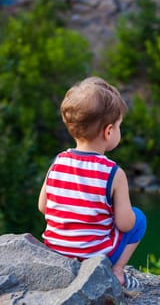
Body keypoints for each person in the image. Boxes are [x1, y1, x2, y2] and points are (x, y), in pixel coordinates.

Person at [38, 76, 146, 289]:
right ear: (108, 131)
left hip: (56, 252)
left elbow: (43, 206)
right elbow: (125, 224)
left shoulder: (58, 162)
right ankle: (117, 272)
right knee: (139, 219)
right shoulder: (114, 173)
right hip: (94, 258)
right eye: (119, 126)